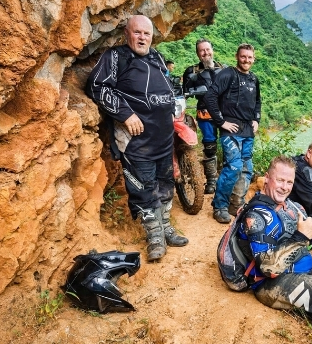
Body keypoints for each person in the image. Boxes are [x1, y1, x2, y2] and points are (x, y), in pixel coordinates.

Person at [218, 156, 312, 318]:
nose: (285, 187)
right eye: (280, 180)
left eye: (289, 182)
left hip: (304, 268)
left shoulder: (292, 207)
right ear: (267, 178)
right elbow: (267, 268)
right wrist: (301, 237)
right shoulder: (257, 217)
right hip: (272, 284)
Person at [89, 15, 187, 261]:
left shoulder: (157, 57)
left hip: (164, 139)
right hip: (137, 142)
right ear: (127, 34)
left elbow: (169, 86)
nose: (143, 37)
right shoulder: (116, 57)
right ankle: (154, 235)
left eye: (147, 33)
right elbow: (97, 86)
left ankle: (166, 228)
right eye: (138, 33)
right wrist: (125, 114)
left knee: (165, 185)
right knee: (143, 189)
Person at [209, 43, 262, 224]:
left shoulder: (254, 79)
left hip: (248, 131)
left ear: (253, 59)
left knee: (246, 169)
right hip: (230, 130)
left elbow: (257, 102)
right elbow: (210, 96)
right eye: (243, 56)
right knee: (234, 166)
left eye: (249, 57)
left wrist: (256, 119)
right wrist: (221, 122)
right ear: (237, 56)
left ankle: (236, 204)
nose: (246, 60)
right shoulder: (227, 74)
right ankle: (219, 206)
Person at [181, 38, 225, 195]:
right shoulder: (191, 72)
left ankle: (225, 181)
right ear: (198, 54)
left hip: (225, 115)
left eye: (208, 49)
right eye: (202, 50)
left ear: (212, 49)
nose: (206, 53)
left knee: (228, 147)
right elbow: (183, 94)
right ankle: (211, 181)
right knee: (210, 147)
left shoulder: (225, 69)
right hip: (205, 115)